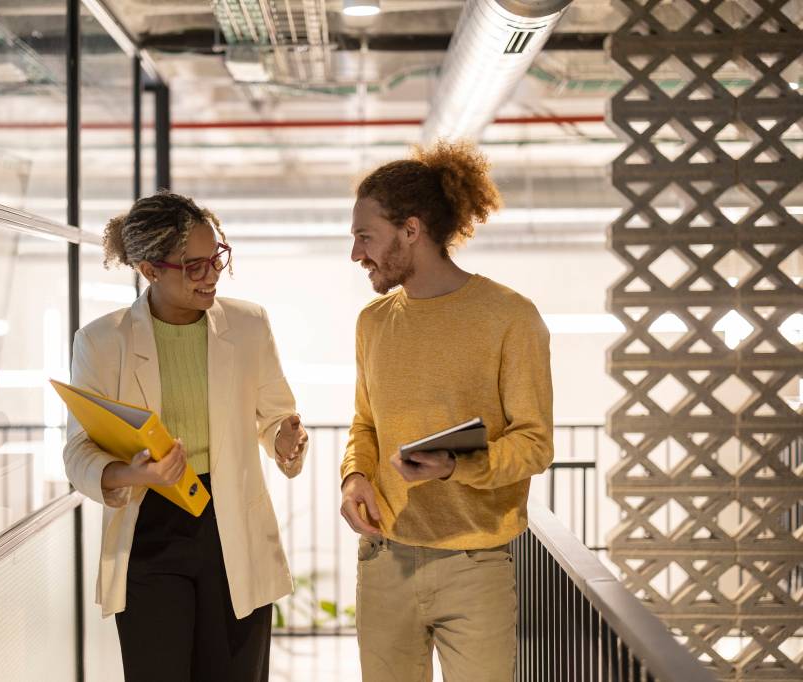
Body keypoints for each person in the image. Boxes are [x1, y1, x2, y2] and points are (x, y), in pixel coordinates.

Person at [63, 190, 308, 682]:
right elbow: (77, 451)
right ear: (150, 270)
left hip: (232, 520)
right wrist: (132, 473)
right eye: (193, 265)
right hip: (151, 524)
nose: (212, 274)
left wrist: (284, 439)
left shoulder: (248, 323)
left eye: (217, 257)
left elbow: (277, 415)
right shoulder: (103, 340)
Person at [339, 140, 554, 681]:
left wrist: (457, 466)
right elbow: (365, 423)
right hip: (384, 560)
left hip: (475, 565)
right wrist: (355, 476)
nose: (356, 253)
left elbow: (534, 443)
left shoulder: (510, 318)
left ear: (411, 230)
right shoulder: (373, 322)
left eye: (366, 237)